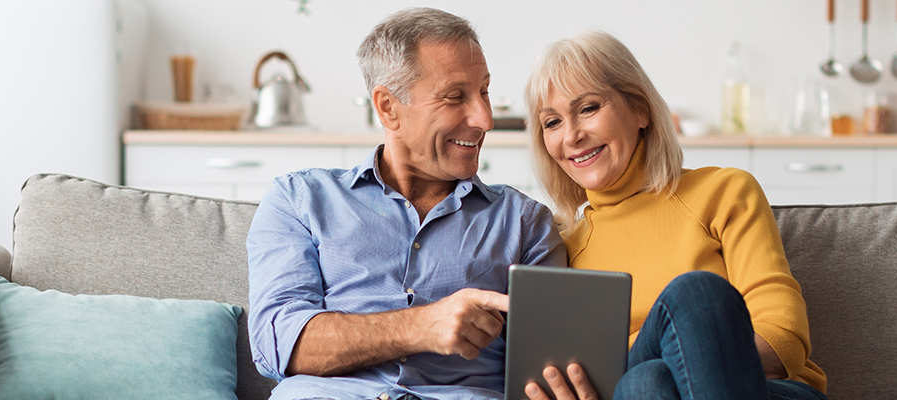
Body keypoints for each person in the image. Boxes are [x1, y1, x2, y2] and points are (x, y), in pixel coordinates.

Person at [246, 7, 567, 400]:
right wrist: (422, 326)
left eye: (484, 91)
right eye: (455, 97)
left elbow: (548, 371)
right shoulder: (300, 201)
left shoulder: (524, 223)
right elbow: (277, 345)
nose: (485, 119)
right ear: (388, 108)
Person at [518, 31, 829, 400]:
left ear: (641, 109)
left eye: (587, 108)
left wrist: (689, 349)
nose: (571, 135)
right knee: (646, 383)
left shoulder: (724, 191)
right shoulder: (561, 250)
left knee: (694, 293)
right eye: (552, 122)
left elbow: (783, 339)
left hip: (769, 391)